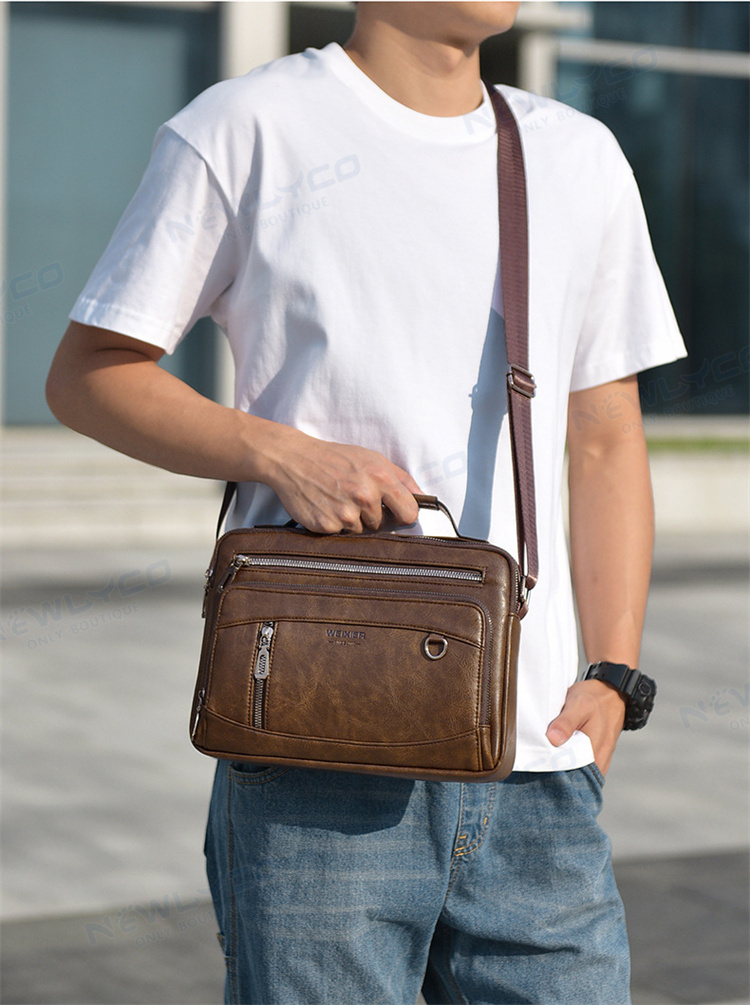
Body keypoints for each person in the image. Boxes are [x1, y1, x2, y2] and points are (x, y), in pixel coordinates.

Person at [46, 3, 687, 1002]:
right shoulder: (248, 127)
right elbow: (88, 376)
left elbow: (604, 438)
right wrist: (279, 452)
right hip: (318, 752)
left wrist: (612, 674)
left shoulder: (576, 156)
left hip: (537, 765)